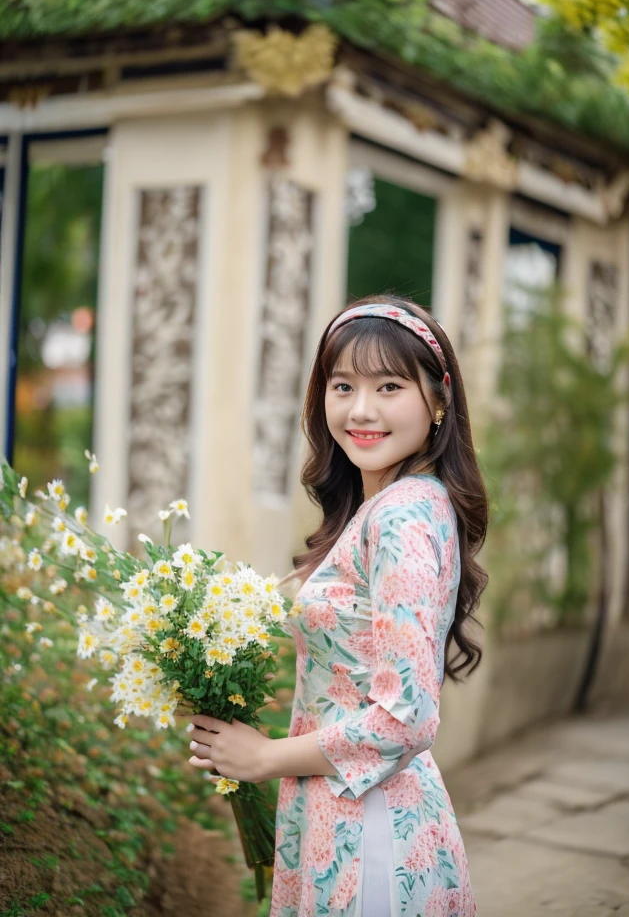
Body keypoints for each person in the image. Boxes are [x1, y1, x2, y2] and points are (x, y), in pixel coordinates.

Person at [186, 293, 489, 916]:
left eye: (389, 386)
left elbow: (406, 715)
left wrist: (265, 757)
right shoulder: (386, 505)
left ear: (438, 402)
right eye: (343, 384)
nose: (360, 410)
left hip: (370, 830)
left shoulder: (402, 516)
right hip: (346, 814)